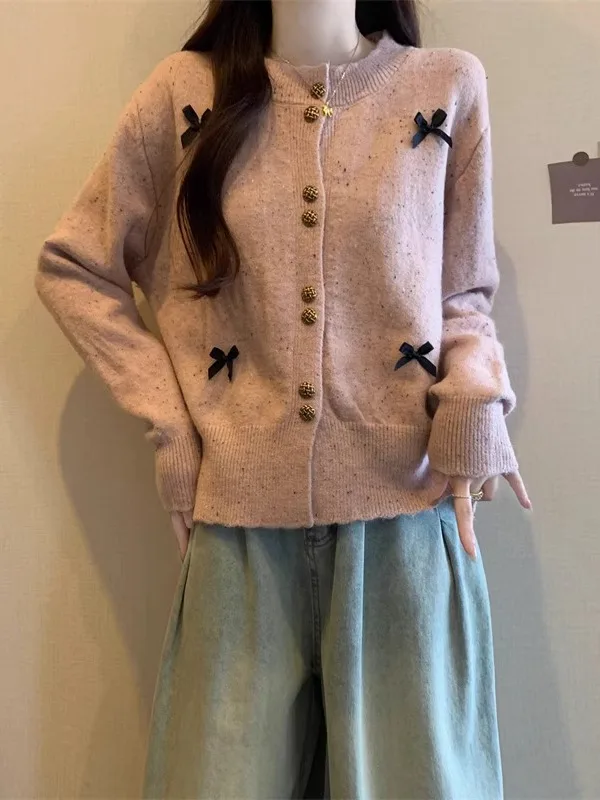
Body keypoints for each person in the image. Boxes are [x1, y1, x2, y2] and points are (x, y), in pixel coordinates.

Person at [35, 0, 532, 797]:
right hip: (238, 541)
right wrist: (172, 427)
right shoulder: (184, 96)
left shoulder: (445, 86)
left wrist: (473, 404)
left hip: (404, 529)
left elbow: (462, 294)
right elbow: (75, 267)